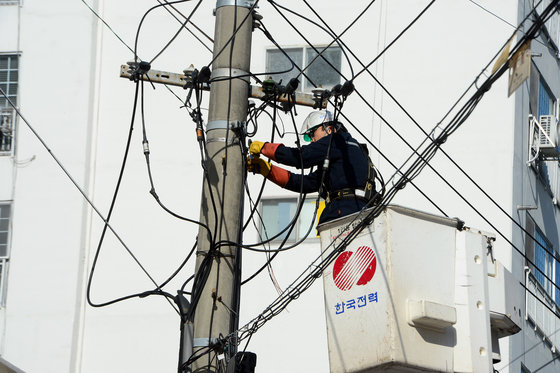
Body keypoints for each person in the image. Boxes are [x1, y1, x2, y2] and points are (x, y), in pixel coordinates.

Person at [247, 110, 370, 225]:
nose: (311, 140)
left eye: (312, 134)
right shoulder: (345, 153)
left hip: (346, 210)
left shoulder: (337, 141)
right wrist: (268, 170)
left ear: (330, 129)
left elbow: (301, 157)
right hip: (357, 210)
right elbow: (306, 184)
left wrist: (264, 147)